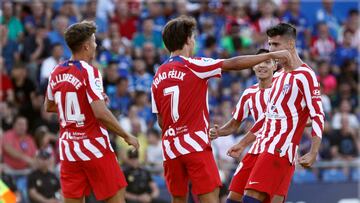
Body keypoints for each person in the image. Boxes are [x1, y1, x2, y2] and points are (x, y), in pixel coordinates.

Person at [151, 16, 290, 203]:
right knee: (210, 196)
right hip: (194, 144)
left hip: (170, 148)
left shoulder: (157, 75)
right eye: (193, 38)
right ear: (187, 40)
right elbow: (232, 63)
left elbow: (161, 121)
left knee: (178, 198)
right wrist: (270, 55)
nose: (194, 42)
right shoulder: (193, 64)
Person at [227, 23, 325, 203]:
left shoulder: (305, 75)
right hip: (261, 146)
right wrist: (242, 144)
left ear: (291, 45)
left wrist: (313, 151)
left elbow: (318, 114)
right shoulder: (278, 75)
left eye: (276, 45)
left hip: (279, 148)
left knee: (251, 199)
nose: (271, 49)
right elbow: (267, 116)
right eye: (270, 44)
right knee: (233, 199)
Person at [44, 20, 139, 203]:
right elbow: (100, 113)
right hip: (93, 146)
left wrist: (85, 104)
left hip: (69, 149)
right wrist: (126, 135)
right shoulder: (89, 71)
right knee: (117, 198)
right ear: (86, 46)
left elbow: (49, 106)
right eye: (94, 41)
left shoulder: (56, 71)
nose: (96, 45)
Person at [209, 48, 277, 202]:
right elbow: (234, 124)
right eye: (258, 62)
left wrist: (241, 144)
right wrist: (219, 132)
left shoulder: (281, 90)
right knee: (232, 198)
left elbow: (267, 121)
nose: (262, 65)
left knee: (253, 199)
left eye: (267, 62)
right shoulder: (249, 93)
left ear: (275, 66)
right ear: (252, 66)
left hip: (274, 151)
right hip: (255, 150)